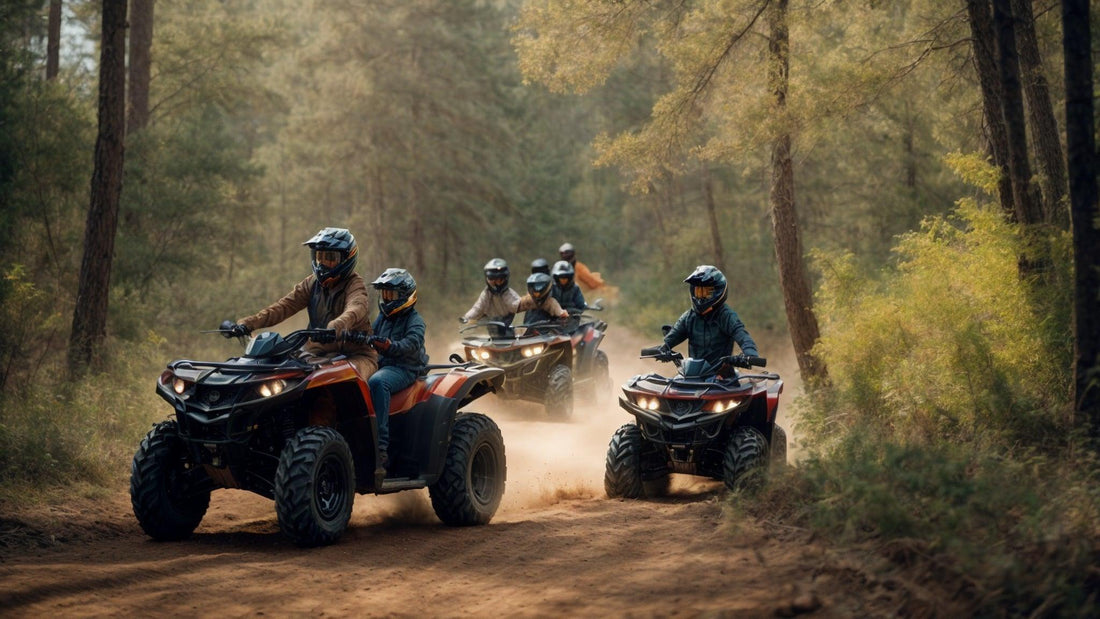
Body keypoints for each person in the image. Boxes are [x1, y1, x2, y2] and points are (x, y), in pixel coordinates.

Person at [224, 227, 377, 379]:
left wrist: (335, 327)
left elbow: (356, 308)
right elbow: (283, 307)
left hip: (357, 357)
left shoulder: (354, 284)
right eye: (319, 257)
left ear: (346, 259)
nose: (322, 263)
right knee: (281, 372)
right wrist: (248, 324)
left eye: (330, 258)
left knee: (344, 378)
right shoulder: (312, 283)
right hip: (316, 353)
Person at [363, 267, 428, 472]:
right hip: (383, 364)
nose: (386, 298)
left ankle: (380, 449)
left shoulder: (415, 321)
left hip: (405, 368)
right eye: (384, 293)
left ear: (405, 296)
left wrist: (390, 346)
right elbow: (370, 334)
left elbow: (412, 343)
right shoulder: (383, 318)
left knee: (377, 382)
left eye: (391, 294)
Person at [662, 265, 758, 372]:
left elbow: (742, 336)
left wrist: (750, 354)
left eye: (707, 292)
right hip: (693, 375)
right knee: (673, 383)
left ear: (719, 290)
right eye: (699, 291)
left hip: (722, 376)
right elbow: (671, 338)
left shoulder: (727, 316)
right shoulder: (689, 317)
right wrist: (662, 349)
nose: (701, 297)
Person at [460, 258, 521, 330]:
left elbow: (518, 306)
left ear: (505, 279)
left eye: (500, 279)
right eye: (492, 279)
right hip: (490, 325)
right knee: (473, 327)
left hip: (508, 325)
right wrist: (466, 318)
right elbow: (477, 308)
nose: (497, 283)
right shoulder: (486, 294)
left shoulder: (509, 294)